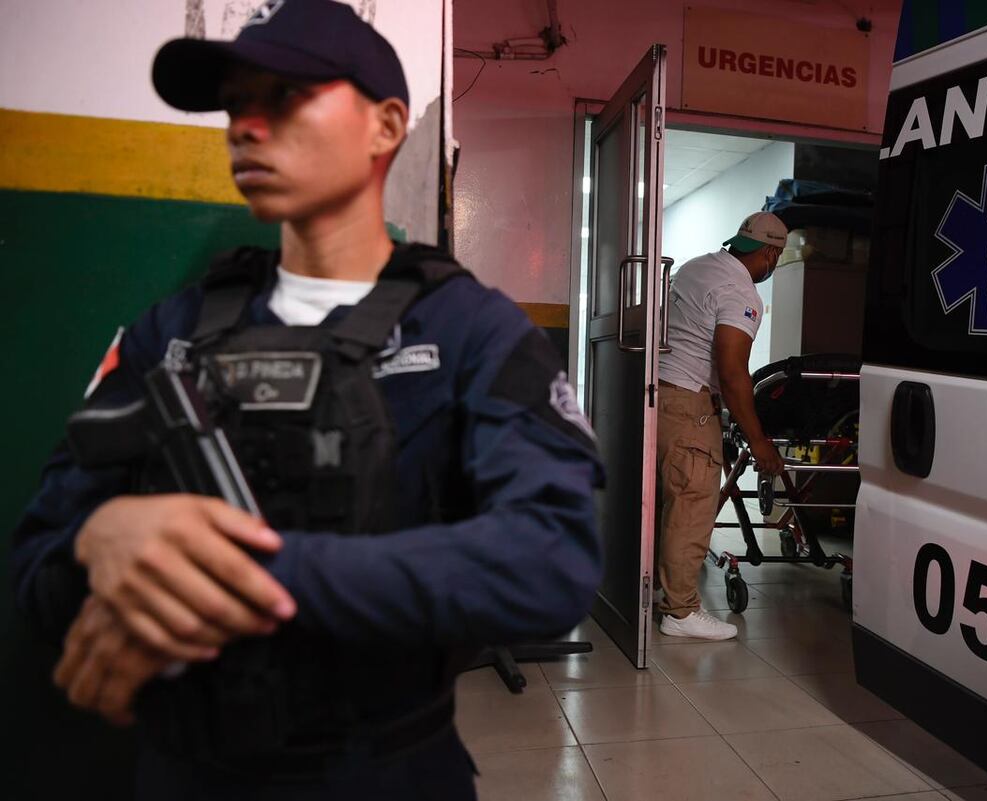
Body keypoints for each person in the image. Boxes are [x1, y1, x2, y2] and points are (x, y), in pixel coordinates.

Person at [9, 1, 603, 798]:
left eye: (281, 96)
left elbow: (552, 562)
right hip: (183, 772)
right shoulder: (172, 330)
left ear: (386, 126)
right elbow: (39, 552)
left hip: (385, 771)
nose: (242, 127)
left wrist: (259, 570)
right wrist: (98, 543)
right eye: (233, 104)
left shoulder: (470, 331)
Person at [656, 212, 787, 640]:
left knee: (667, 502)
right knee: (693, 503)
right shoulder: (742, 294)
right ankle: (680, 611)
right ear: (770, 253)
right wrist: (759, 440)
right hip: (690, 403)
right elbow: (733, 373)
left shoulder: (698, 266)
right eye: (778, 256)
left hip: (658, 393)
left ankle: (661, 590)